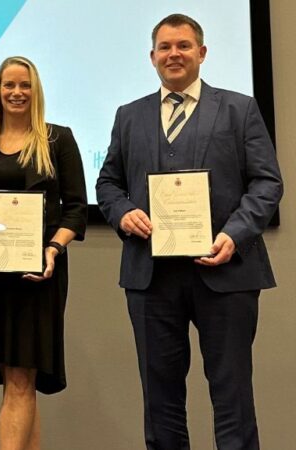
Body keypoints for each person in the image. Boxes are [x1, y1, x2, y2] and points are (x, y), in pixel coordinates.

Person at [96, 14, 283, 450]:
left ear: (201, 53)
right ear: (152, 57)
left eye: (183, 45)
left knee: (233, 396)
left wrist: (234, 234)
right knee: (160, 403)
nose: (173, 54)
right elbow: (108, 183)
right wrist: (123, 213)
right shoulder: (129, 116)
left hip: (226, 272)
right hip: (151, 277)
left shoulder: (239, 108)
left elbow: (267, 182)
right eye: (164, 47)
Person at [0, 56, 87, 450]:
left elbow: (77, 208)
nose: (16, 93)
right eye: (9, 85)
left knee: (20, 380)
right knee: (16, 380)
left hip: (39, 274)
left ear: (36, 91)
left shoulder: (57, 140)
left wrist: (53, 248)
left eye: (25, 85)